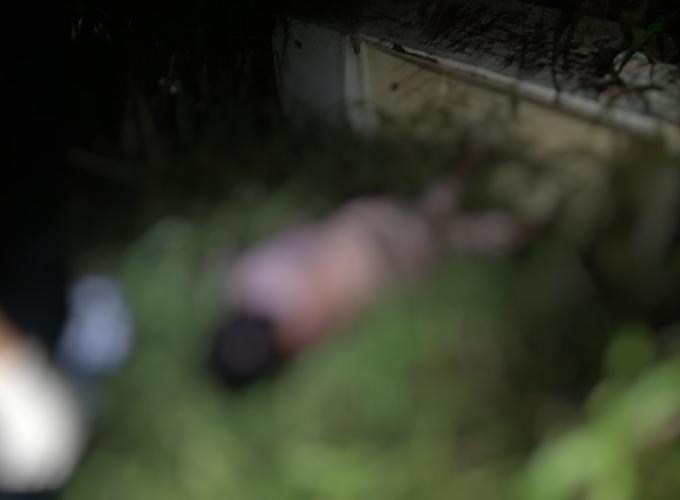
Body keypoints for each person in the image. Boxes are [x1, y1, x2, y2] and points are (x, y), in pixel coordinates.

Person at [211, 181, 528, 387]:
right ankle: (480, 189)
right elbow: (301, 237)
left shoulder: (291, 324)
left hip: (377, 250)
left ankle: (501, 210)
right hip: (371, 240)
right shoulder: (248, 280)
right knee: (445, 228)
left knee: (448, 230)